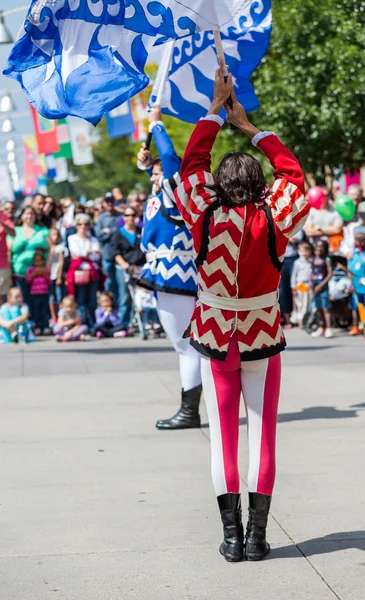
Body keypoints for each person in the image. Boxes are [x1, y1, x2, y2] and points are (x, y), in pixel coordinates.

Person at [173, 70, 310, 562]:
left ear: (220, 185)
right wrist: (251, 128)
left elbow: (192, 164)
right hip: (262, 337)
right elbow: (293, 176)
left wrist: (213, 112)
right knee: (264, 437)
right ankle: (257, 537)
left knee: (223, 443)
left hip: (214, 337)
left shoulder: (203, 212)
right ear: (257, 183)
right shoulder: (276, 215)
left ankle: (231, 538)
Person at [137, 106, 202, 430]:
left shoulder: (178, 192)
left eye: (159, 171)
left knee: (186, 347)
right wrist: (147, 165)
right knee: (186, 346)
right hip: (167, 271)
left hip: (175, 272)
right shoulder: (163, 192)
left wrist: (157, 126)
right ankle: (195, 408)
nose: (156, 174)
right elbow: (160, 176)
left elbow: (172, 165)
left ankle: (191, 411)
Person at [111, 207, 146, 327]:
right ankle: (124, 323)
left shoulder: (141, 232)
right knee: (125, 296)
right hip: (125, 268)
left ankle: (144, 322)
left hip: (141, 267)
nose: (130, 218)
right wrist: (124, 264)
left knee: (143, 296)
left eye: (132, 215)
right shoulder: (118, 233)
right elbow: (115, 253)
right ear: (123, 217)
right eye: (127, 215)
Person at [9, 206, 49, 305]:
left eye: (32, 214)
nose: (29, 216)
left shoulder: (42, 230)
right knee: (21, 298)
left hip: (38, 272)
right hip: (20, 271)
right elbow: (9, 250)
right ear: (21, 216)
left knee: (37, 300)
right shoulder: (15, 230)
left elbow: (51, 248)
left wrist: (47, 266)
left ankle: (36, 319)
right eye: (27, 213)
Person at [66, 214, 101, 329]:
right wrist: (90, 252)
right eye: (80, 224)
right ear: (77, 225)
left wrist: (86, 253)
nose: (83, 227)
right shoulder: (72, 238)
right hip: (79, 273)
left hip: (92, 273)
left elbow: (97, 256)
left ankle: (92, 324)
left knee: (92, 300)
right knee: (81, 300)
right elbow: (76, 252)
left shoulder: (93, 239)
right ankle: (83, 323)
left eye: (86, 224)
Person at [347, 232, 365, 336]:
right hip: (355, 287)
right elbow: (350, 272)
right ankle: (355, 326)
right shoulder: (353, 255)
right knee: (355, 307)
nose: (358, 243)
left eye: (360, 241)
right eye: (356, 240)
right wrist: (351, 284)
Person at [95, 193, 120, 297]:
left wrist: (109, 231)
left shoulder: (120, 216)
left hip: (120, 255)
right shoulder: (101, 218)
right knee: (109, 283)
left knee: (120, 284)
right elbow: (99, 235)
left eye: (111, 201)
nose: (109, 203)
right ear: (104, 203)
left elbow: (122, 231)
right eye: (107, 201)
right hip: (107, 255)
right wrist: (113, 233)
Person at [279, 229, 305, 328]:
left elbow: (296, 238)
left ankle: (299, 318)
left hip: (293, 258)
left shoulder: (295, 223)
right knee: (282, 290)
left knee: (295, 289)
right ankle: (287, 319)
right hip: (280, 258)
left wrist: (282, 236)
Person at [310, 240, 334, 338]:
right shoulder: (313, 259)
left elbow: (330, 274)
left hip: (323, 287)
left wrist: (321, 286)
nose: (319, 248)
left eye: (321, 246)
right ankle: (322, 327)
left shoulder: (326, 259)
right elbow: (312, 273)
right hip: (315, 286)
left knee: (325, 308)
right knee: (319, 308)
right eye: (317, 246)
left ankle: (328, 328)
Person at [25, 249, 51, 335]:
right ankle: (36, 327)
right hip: (34, 294)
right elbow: (28, 280)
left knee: (44, 311)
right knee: (36, 311)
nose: (38, 263)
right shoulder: (31, 270)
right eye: (36, 261)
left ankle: (45, 326)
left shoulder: (45, 269)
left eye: (40, 261)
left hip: (44, 293)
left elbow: (49, 281)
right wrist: (34, 274)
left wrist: (45, 274)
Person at [291, 241, 313, 326]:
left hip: (308, 284)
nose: (305, 253)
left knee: (307, 302)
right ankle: (300, 319)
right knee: (299, 303)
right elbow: (294, 275)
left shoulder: (311, 261)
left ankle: (306, 319)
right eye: (303, 251)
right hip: (300, 284)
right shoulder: (297, 262)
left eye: (307, 251)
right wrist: (293, 287)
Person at [47, 228, 65, 325]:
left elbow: (61, 263)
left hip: (57, 275)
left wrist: (59, 277)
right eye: (52, 235)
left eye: (56, 235)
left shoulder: (60, 248)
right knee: (51, 298)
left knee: (59, 297)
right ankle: (53, 317)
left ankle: (61, 316)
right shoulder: (49, 248)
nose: (54, 237)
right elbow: (48, 264)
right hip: (49, 276)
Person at [0, 205, 15, 304]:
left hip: (2, 263)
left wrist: (2, 223)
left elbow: (13, 233)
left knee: (1, 293)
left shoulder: (3, 217)